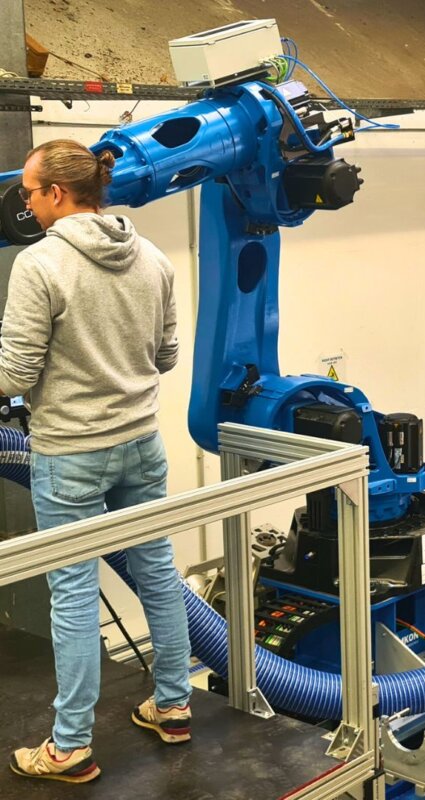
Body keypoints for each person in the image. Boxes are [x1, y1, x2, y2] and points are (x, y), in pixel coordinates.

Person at [0, 139, 192, 783]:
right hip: (142, 445)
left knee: (74, 595)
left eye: (29, 192)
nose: (25, 203)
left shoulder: (39, 263)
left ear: (56, 193)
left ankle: (70, 747)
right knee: (158, 573)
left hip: (71, 454)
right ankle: (174, 708)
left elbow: (14, 374)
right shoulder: (154, 257)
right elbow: (165, 358)